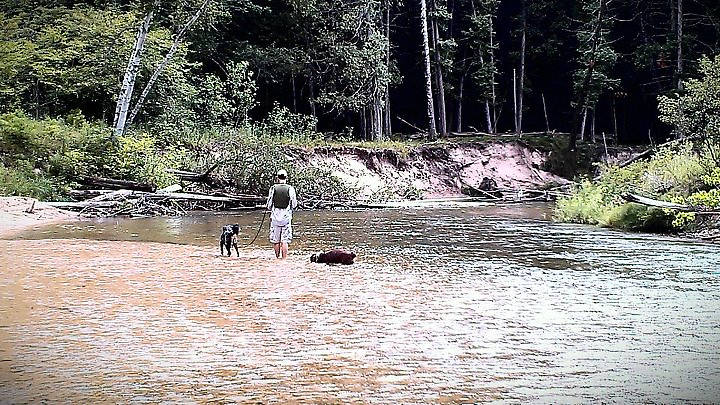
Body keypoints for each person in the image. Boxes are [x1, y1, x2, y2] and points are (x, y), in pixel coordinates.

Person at [266, 169, 298, 259]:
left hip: (275, 217)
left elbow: (269, 205)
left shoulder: (273, 188)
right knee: (285, 240)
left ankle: (277, 259)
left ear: (277, 178)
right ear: (286, 178)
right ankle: (283, 260)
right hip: (286, 217)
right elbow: (294, 204)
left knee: (276, 240)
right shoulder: (290, 189)